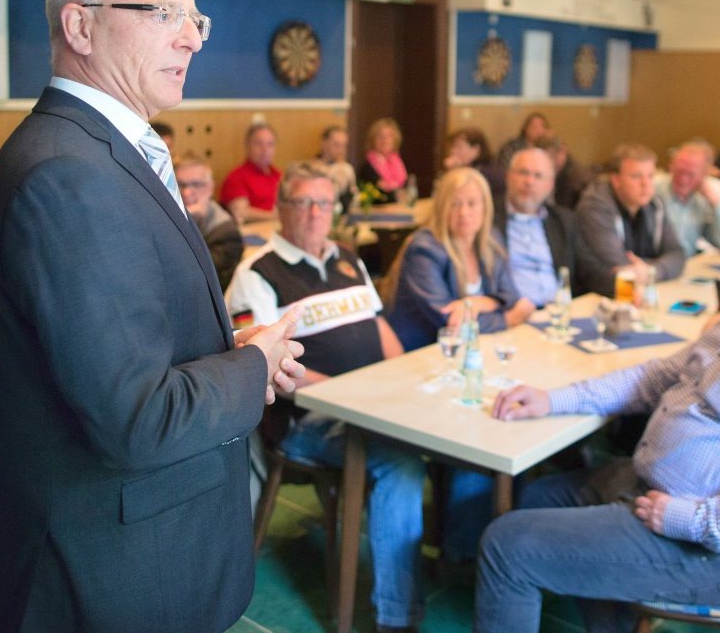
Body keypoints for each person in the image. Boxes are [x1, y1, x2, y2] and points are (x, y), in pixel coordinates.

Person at [0, 0, 305, 633]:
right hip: (117, 570)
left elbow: (120, 344)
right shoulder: (69, 176)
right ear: (80, 25)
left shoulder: (97, 151)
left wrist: (224, 348)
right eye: (162, 13)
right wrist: (253, 365)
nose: (192, 39)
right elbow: (136, 418)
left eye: (196, 20)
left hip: (142, 547)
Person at [474, 212, 720, 632]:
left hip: (711, 551)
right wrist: (552, 399)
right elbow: (654, 377)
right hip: (653, 494)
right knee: (539, 496)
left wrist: (682, 517)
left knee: (507, 545)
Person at [226, 160, 425, 633]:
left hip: (375, 404)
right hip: (306, 423)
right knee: (402, 462)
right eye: (304, 203)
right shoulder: (258, 274)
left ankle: (447, 549)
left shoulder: (348, 258)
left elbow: (379, 328)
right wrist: (350, 394)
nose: (316, 213)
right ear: (281, 208)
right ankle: (396, 618)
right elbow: (266, 366)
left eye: (324, 203)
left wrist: (404, 377)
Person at [386, 167, 533, 351]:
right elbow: (450, 322)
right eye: (455, 204)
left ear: (485, 207)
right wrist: (509, 318)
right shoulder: (424, 250)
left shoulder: (491, 240)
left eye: (472, 203)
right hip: (424, 354)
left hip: (473, 350)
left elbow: (510, 296)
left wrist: (480, 303)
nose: (464, 213)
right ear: (441, 208)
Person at [575, 143, 686, 297]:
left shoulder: (655, 204)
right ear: (616, 180)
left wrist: (652, 271)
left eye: (650, 176)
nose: (645, 184)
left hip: (642, 290)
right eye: (636, 176)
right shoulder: (594, 207)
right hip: (601, 297)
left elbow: (677, 253)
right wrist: (658, 266)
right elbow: (619, 267)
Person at [494, 147, 598, 307]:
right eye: (523, 173)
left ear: (550, 184)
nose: (529, 182)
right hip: (511, 314)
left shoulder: (563, 220)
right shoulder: (488, 217)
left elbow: (590, 269)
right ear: (508, 176)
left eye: (538, 176)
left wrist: (624, 277)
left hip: (557, 313)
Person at [654, 139, 720, 256]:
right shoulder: (653, 188)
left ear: (705, 173)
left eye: (690, 174)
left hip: (692, 262)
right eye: (679, 172)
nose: (683, 179)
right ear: (671, 166)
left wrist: (715, 204)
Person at [176, 154, 244, 291]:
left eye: (196, 184)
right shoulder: (166, 213)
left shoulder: (226, 234)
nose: (187, 192)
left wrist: (187, 222)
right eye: (180, 184)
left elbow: (188, 276)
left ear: (210, 188)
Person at [220, 122, 282, 222]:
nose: (265, 150)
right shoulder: (236, 177)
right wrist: (277, 216)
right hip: (252, 233)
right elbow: (241, 212)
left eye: (270, 144)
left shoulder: (278, 175)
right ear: (247, 146)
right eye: (259, 144)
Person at [357, 117, 408, 206]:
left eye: (389, 136)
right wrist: (398, 194)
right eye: (380, 136)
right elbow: (383, 196)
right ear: (373, 140)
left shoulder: (397, 161)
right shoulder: (368, 166)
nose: (385, 140)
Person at [443, 126, 504, 200]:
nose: (453, 151)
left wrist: (452, 173)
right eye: (452, 147)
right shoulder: (469, 169)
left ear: (476, 150)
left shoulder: (486, 173)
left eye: (459, 147)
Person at [541, 136, 596, 210]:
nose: (547, 162)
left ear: (563, 153)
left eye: (552, 156)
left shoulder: (575, 178)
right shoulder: (560, 172)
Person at [317, 124, 356, 210]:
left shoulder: (347, 169)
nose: (341, 150)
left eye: (344, 146)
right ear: (324, 143)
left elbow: (353, 199)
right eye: (336, 144)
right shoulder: (312, 168)